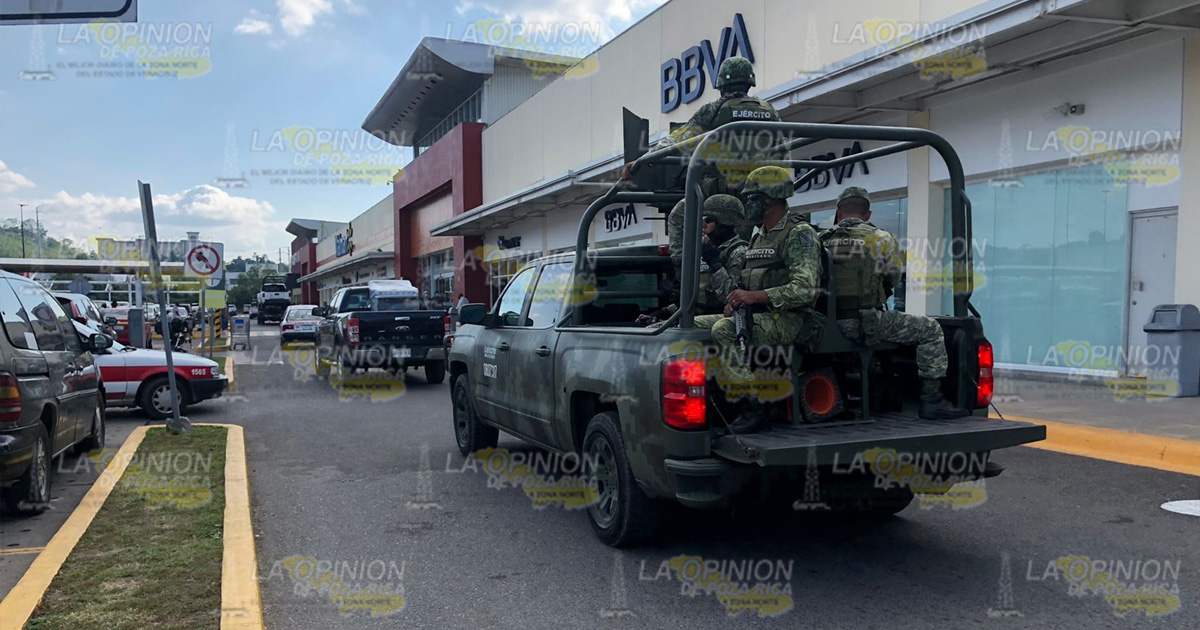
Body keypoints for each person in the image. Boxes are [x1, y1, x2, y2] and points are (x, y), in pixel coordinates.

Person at [694, 166, 824, 434]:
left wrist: (755, 297)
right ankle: (718, 401)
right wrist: (735, 301)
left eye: (751, 199)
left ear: (769, 199)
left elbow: (805, 289)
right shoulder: (759, 236)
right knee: (693, 325)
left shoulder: (799, 234)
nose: (746, 206)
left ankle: (753, 407)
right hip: (761, 314)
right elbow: (746, 280)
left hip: (795, 319)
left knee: (723, 330)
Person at [821, 186, 968, 420]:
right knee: (930, 329)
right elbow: (893, 277)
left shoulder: (821, 241)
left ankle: (878, 395)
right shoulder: (881, 239)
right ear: (868, 214)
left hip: (826, 327)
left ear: (838, 213)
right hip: (866, 323)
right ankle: (932, 399)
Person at [638, 194, 750, 324]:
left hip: (723, 321)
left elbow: (732, 297)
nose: (702, 224)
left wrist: (714, 263)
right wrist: (663, 312)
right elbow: (700, 297)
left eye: (708, 219)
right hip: (698, 316)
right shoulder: (705, 248)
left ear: (724, 223)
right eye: (701, 219)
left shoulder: (739, 251)